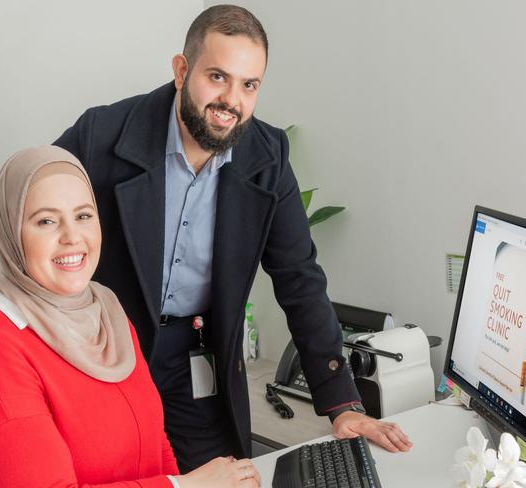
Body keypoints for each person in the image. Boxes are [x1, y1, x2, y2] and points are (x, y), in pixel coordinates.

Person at [54, 4, 412, 472]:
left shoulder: (267, 155)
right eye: (217, 77)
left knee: (226, 476)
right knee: (113, 473)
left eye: (249, 85)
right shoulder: (102, 134)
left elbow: (299, 277)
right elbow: (35, 224)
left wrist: (341, 402)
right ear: (182, 71)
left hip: (195, 354)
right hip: (107, 347)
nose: (231, 100)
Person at [0, 145, 261, 487]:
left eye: (83, 215)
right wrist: (188, 486)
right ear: (11, 232)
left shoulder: (106, 311)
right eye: (46, 221)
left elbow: (156, 443)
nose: (72, 237)